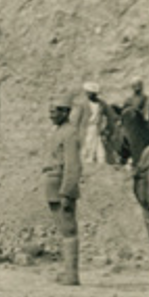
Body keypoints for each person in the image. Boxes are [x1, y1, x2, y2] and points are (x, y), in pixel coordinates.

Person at [42, 92, 82, 285]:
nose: (51, 114)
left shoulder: (70, 133)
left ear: (66, 112)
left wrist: (67, 192)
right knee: (62, 228)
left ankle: (72, 275)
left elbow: (72, 165)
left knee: (68, 229)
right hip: (52, 181)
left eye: (55, 110)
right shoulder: (57, 131)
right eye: (50, 110)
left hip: (60, 184)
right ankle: (68, 272)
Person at [75, 82, 112, 164]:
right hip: (87, 128)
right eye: (87, 93)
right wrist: (76, 131)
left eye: (91, 93)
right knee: (87, 146)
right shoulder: (83, 104)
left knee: (99, 145)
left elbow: (110, 113)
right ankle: (87, 162)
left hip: (97, 128)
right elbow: (77, 119)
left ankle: (100, 162)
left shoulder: (101, 104)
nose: (88, 95)